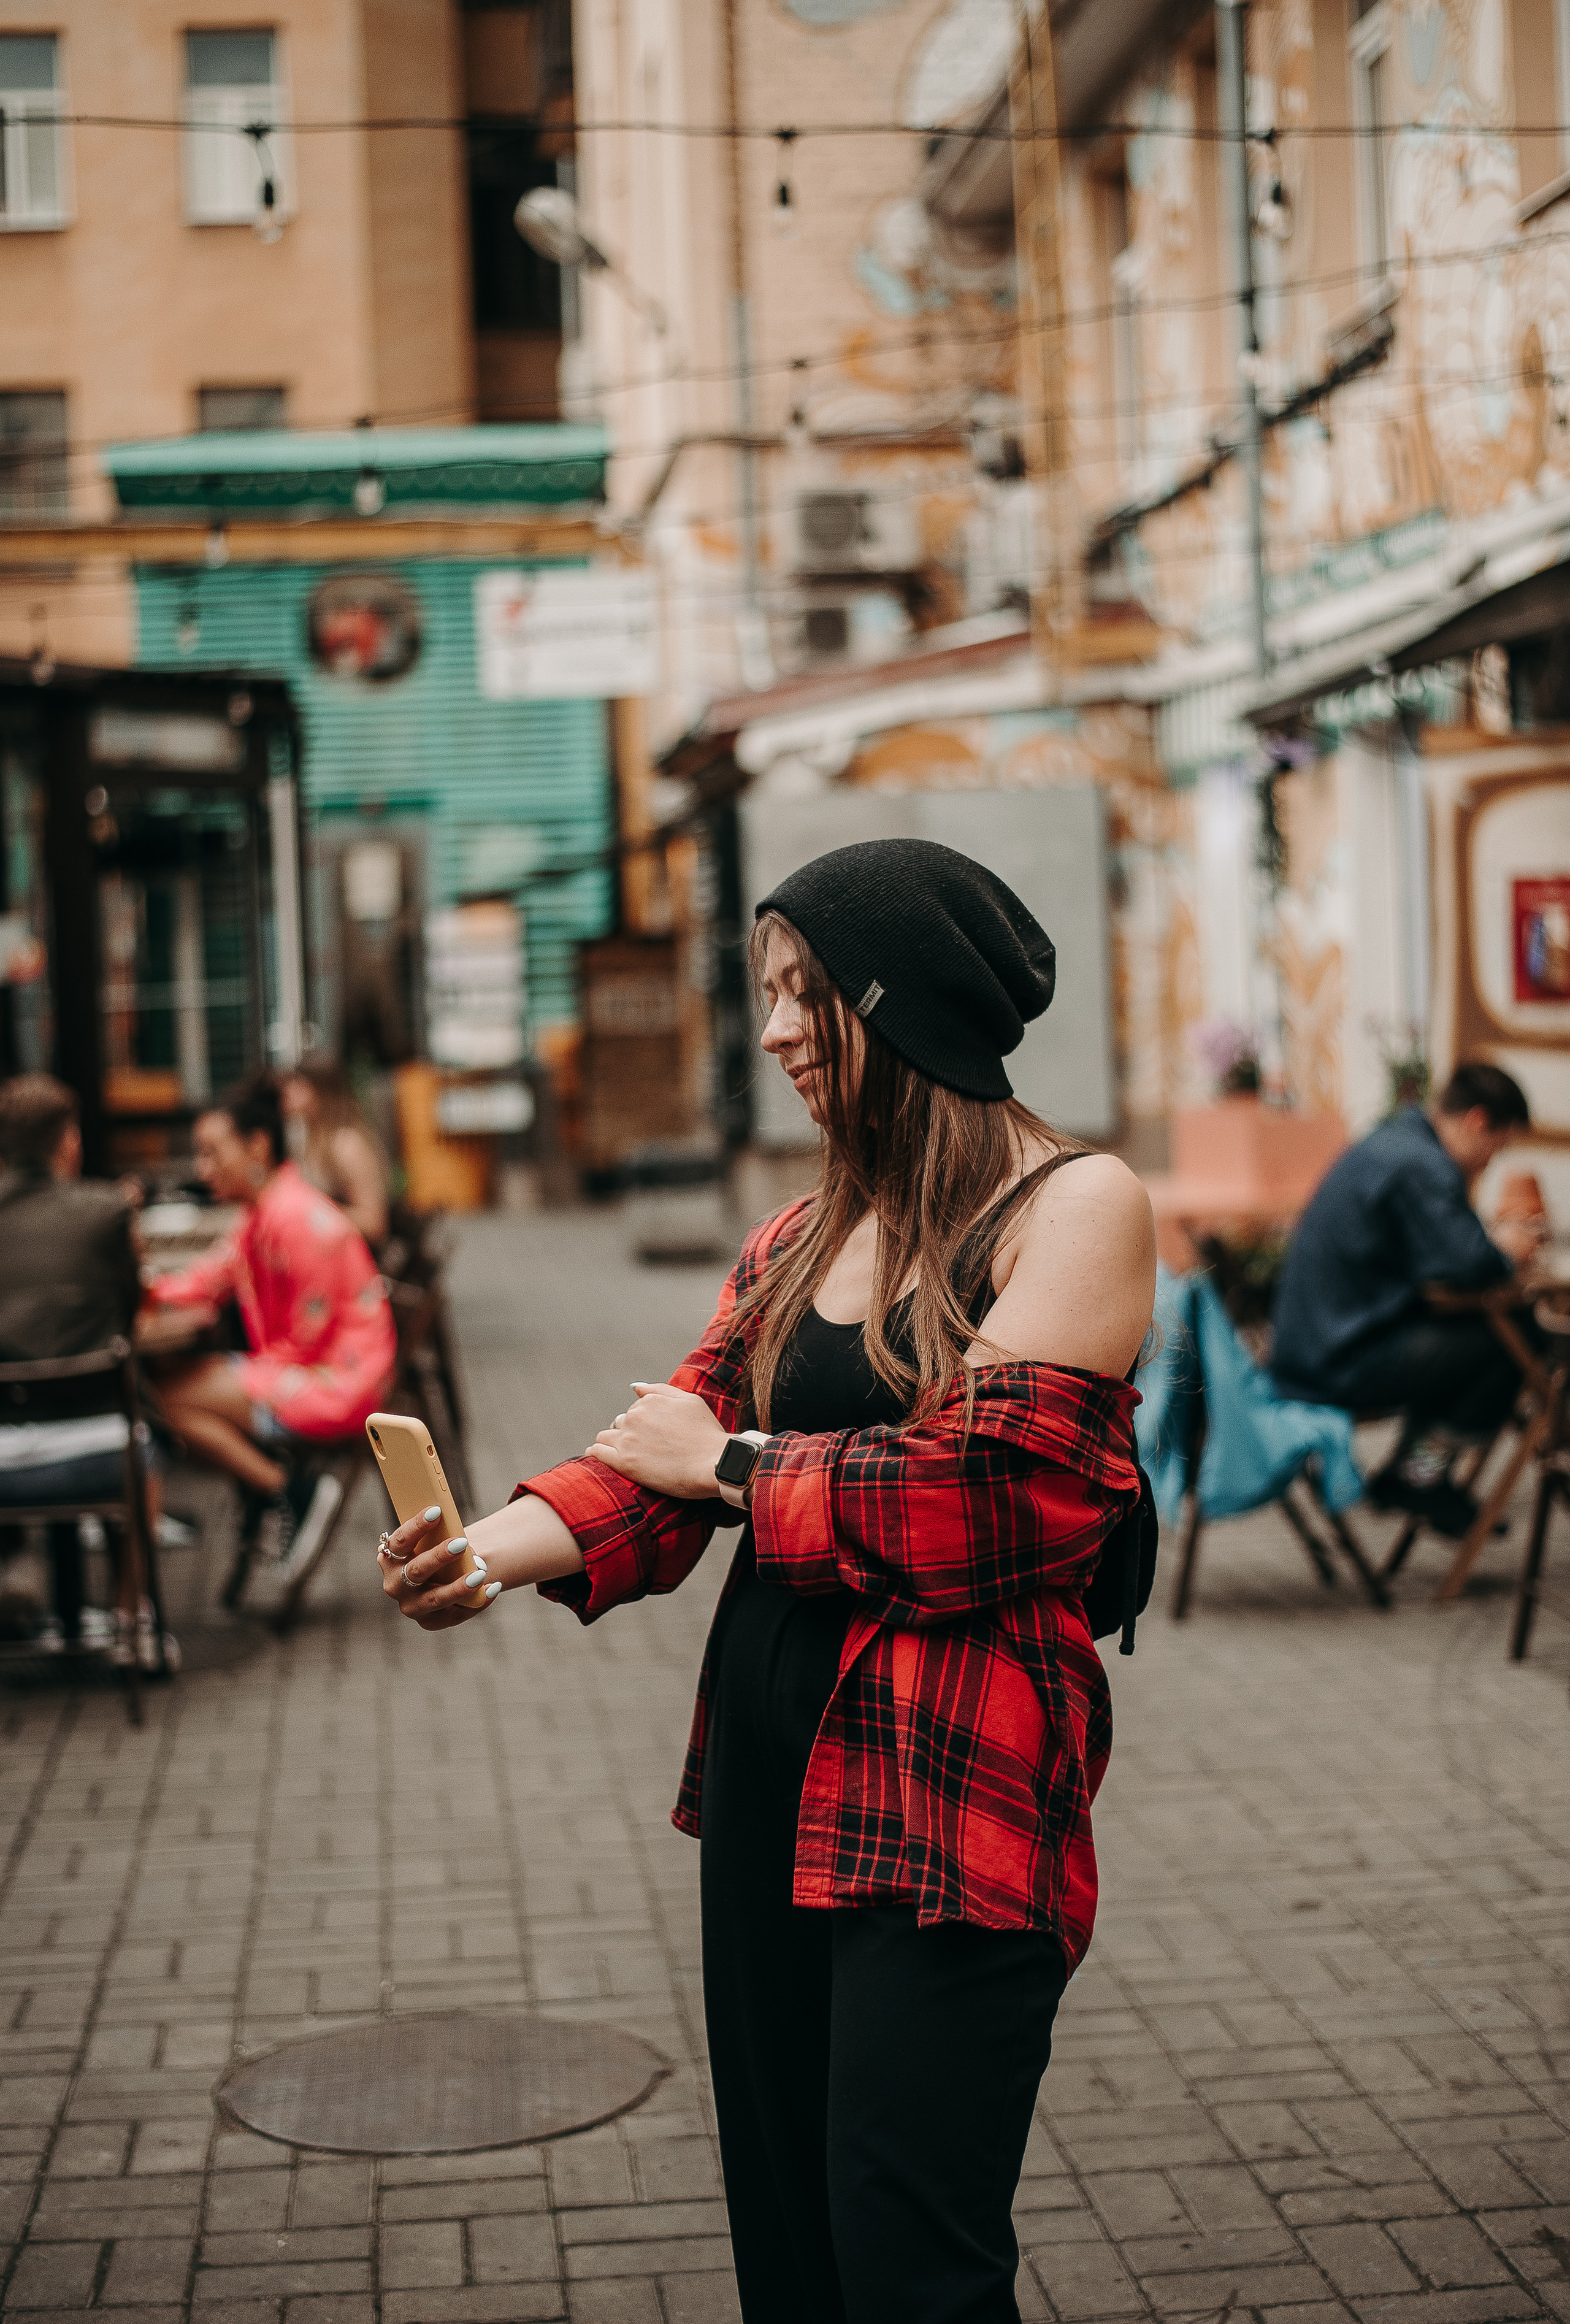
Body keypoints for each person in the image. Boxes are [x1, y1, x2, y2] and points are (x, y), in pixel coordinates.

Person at [378, 840, 1156, 2324]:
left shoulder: (1073, 1205)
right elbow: (648, 1457)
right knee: (787, 2220)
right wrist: (476, 1551)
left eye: (808, 992)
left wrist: (731, 1465)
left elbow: (986, 1500)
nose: (780, 1029)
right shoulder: (799, 1237)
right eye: (771, 994)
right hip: (767, 1770)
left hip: (954, 1786)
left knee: (904, 2244)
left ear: (902, 1000)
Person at [144, 1073, 397, 1586]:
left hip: (339, 1383)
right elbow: (205, 1280)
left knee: (161, 1397)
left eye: (213, 1153)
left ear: (257, 1145)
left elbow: (309, 1334)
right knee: (161, 1397)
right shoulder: (265, 1212)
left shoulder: (297, 1217)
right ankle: (285, 1488)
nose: (202, 1168)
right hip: (304, 1371)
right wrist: (141, 1286)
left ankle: (285, 1489)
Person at [1271, 1063, 1536, 1533]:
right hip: (1338, 1362)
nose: (1488, 1163)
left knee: (1477, 1339)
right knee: (1514, 1338)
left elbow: (1442, 1254)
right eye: (1496, 1149)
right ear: (1478, 1122)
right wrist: (1510, 1251)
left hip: (1314, 1347)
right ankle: (1417, 1478)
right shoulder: (1421, 1163)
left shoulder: (1394, 1142)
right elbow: (1470, 1263)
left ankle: (1416, 1475)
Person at [0, 1074, 150, 1654]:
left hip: (4, 1451)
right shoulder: (106, 1212)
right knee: (142, 1434)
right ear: (69, 1141)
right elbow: (130, 1311)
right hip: (97, 1451)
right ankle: (132, 1616)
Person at [279, 1055, 391, 1247]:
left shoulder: (347, 1144)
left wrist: (311, 1214)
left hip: (359, 1262)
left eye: (298, 1084)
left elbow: (374, 1223)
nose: (287, 1092)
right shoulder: (309, 1140)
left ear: (320, 1091)